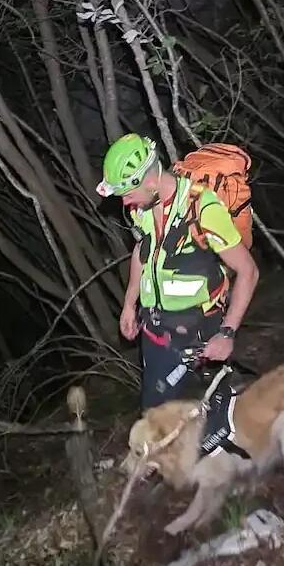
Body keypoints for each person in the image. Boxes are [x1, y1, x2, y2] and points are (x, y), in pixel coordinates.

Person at [97, 133, 260, 410]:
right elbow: (143, 250)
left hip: (199, 332)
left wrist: (227, 333)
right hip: (156, 331)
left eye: (128, 195)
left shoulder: (202, 208)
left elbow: (248, 272)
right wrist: (129, 303)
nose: (126, 203)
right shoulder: (143, 208)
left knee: (207, 418)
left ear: (150, 182)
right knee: (158, 417)